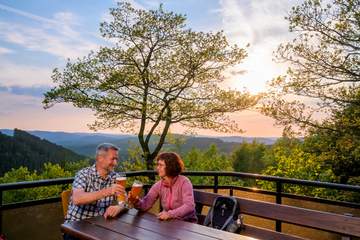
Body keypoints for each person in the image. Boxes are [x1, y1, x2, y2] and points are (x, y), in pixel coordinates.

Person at [64, 143, 125, 240]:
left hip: (100, 227)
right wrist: (107, 191)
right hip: (76, 227)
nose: (115, 163)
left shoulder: (115, 177)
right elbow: (77, 199)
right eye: (113, 159)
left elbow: (124, 201)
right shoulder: (83, 174)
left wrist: (119, 207)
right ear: (100, 158)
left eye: (116, 159)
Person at [129, 152, 197, 223]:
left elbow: (189, 206)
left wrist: (170, 214)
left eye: (161, 165)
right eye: (157, 165)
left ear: (170, 166)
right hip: (169, 223)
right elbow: (145, 205)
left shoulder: (184, 182)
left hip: (187, 223)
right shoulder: (158, 185)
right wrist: (136, 201)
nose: (157, 168)